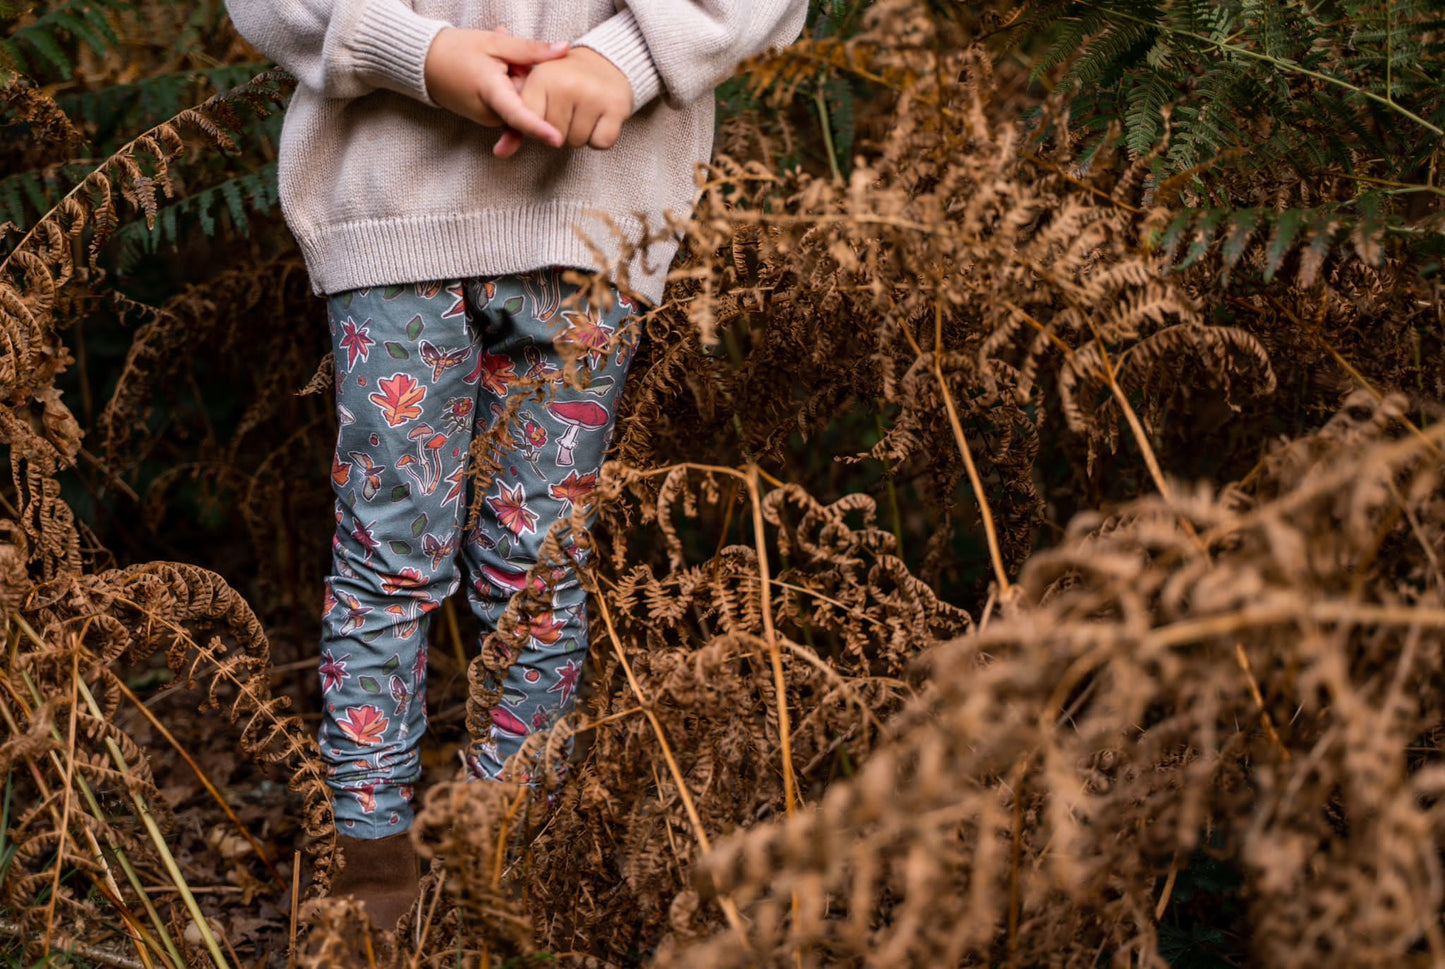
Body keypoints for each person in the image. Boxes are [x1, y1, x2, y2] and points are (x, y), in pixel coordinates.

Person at [221, 0, 809, 938]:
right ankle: (373, 856)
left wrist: (627, 56)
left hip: (591, 215)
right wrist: (417, 50)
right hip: (389, 206)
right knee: (390, 551)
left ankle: (512, 858)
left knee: (535, 563)